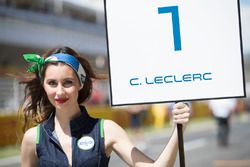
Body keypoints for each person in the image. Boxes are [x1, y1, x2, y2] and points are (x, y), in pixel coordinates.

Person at [20, 46, 191, 167]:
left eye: (67, 82)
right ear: (44, 85)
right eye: (52, 83)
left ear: (80, 83)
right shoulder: (32, 138)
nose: (59, 91)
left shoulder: (105, 130)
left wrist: (179, 129)